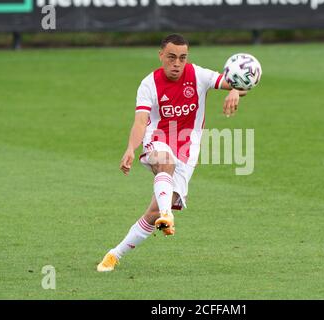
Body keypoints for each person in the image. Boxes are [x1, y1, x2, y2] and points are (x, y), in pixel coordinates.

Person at [97, 34, 247, 272]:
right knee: (165, 162)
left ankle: (115, 254)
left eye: (182, 58)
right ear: (161, 56)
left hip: (188, 149)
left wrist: (236, 91)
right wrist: (130, 148)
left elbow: (238, 84)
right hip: (157, 138)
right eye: (171, 57)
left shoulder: (198, 75)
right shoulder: (149, 84)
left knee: (153, 211)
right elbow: (140, 121)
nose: (177, 63)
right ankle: (167, 215)